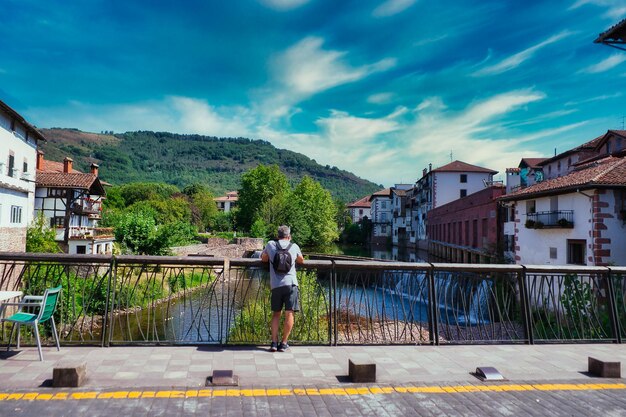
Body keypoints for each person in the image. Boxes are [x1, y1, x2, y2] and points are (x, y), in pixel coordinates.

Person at [261, 225, 304, 352]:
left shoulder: (270, 244)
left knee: (276, 314)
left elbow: (263, 258)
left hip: (276, 285)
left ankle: (274, 343)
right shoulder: (294, 246)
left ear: (277, 235)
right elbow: (301, 260)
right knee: (289, 313)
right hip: (291, 284)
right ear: (289, 236)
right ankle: (284, 343)